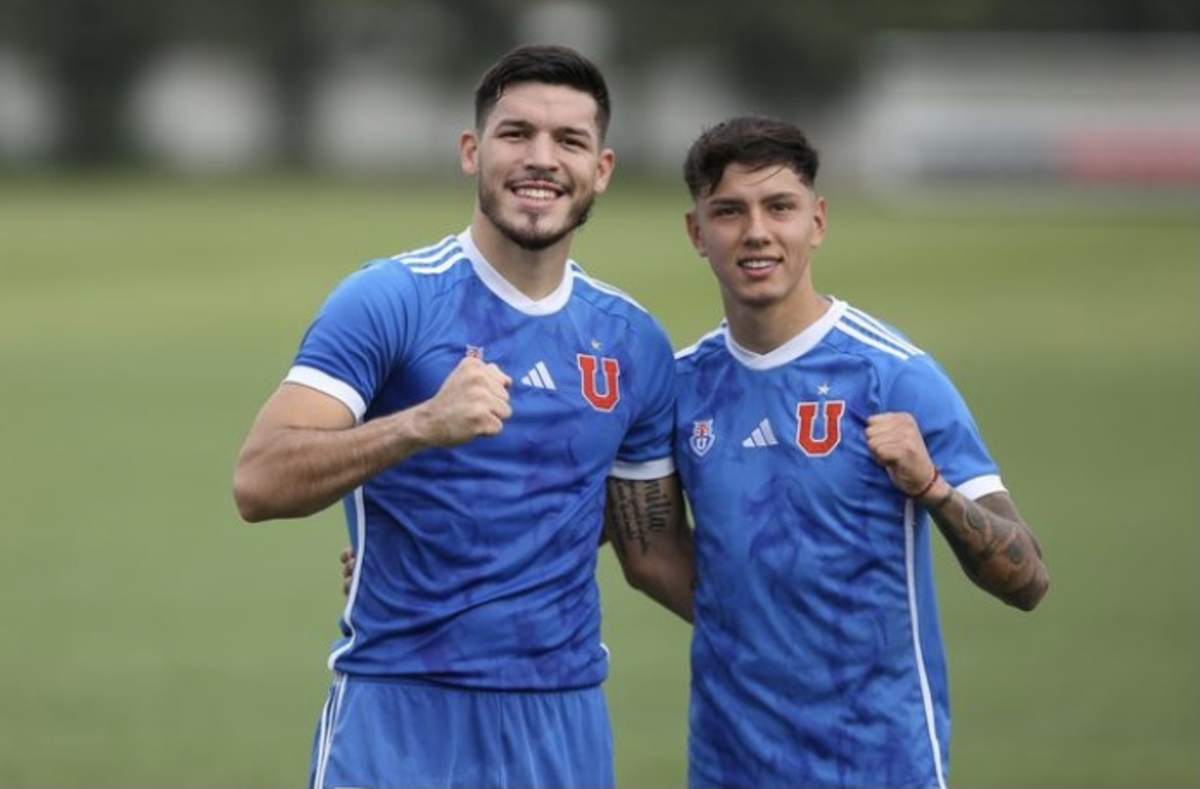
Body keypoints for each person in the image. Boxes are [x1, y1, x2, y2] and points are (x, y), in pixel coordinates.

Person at [232, 43, 694, 789]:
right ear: (473, 152)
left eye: (569, 140)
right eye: (516, 134)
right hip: (398, 713)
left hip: (561, 721)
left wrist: (784, 642)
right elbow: (258, 479)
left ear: (600, 169)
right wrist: (422, 424)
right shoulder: (390, 301)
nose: (541, 159)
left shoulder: (633, 342)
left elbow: (651, 551)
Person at [672, 114, 1050, 788]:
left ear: (816, 221)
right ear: (698, 232)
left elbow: (1028, 582)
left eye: (779, 207)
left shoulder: (893, 376)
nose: (756, 231)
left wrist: (932, 487)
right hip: (727, 764)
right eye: (729, 211)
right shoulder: (680, 386)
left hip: (879, 762)